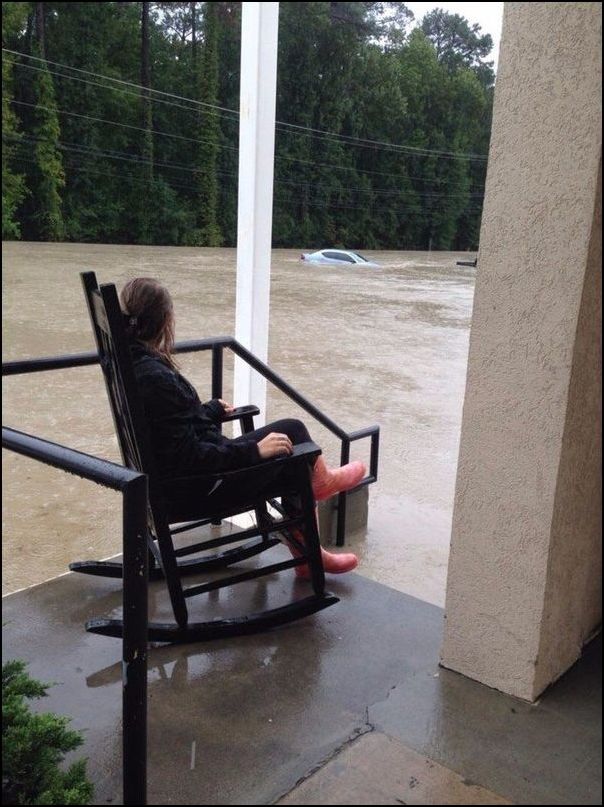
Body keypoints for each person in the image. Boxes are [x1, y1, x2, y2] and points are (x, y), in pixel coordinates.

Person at [119, 277, 366, 576]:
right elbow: (189, 457)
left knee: (292, 434)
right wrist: (254, 451)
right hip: (200, 487)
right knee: (294, 446)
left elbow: (169, 430)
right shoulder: (155, 379)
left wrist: (207, 411)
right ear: (165, 321)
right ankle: (312, 543)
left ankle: (308, 545)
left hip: (169, 483)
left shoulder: (130, 365)